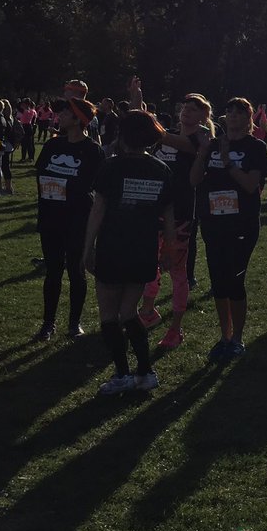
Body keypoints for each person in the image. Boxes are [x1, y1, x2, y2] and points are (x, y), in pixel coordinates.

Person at [83, 110, 175, 394]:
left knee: (109, 314)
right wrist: (168, 249)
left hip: (113, 245)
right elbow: (168, 215)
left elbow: (98, 209)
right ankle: (145, 372)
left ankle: (122, 374)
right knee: (129, 311)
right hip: (143, 247)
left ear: (122, 135)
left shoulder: (112, 167)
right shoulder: (161, 169)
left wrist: (88, 247)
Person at [191, 97, 267, 362]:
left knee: (235, 282)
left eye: (240, 112)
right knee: (218, 282)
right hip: (213, 223)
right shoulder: (212, 145)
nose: (233, 115)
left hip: (242, 224)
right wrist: (204, 152)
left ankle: (237, 338)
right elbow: (193, 180)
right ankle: (225, 336)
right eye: (230, 111)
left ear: (249, 118)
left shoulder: (255, 147)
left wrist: (226, 161)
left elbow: (250, 185)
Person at [138, 93, 213, 350]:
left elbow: (166, 139)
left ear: (203, 116)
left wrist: (145, 115)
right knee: (150, 262)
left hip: (181, 212)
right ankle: (148, 313)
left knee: (178, 272)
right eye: (185, 107)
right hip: (156, 208)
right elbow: (147, 137)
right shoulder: (168, 133)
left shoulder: (200, 139)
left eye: (194, 109)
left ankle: (175, 329)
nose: (187, 112)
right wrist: (138, 104)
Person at [32, 97, 105, 341]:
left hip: (77, 218)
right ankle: (48, 323)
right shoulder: (53, 145)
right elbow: (41, 172)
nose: (59, 116)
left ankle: (74, 323)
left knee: (76, 270)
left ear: (78, 119)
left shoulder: (92, 150)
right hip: (50, 216)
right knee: (53, 271)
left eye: (64, 113)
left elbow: (90, 184)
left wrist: (63, 186)